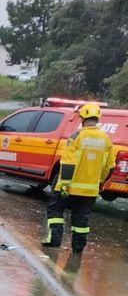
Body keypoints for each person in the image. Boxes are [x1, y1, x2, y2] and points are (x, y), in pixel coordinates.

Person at [42, 102, 114, 253]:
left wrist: (64, 185)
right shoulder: (106, 139)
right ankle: (78, 248)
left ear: (83, 118)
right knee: (81, 218)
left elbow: (68, 162)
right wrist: (100, 183)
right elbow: (109, 166)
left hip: (71, 186)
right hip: (90, 190)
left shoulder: (77, 136)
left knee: (55, 210)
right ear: (97, 118)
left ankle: (54, 240)